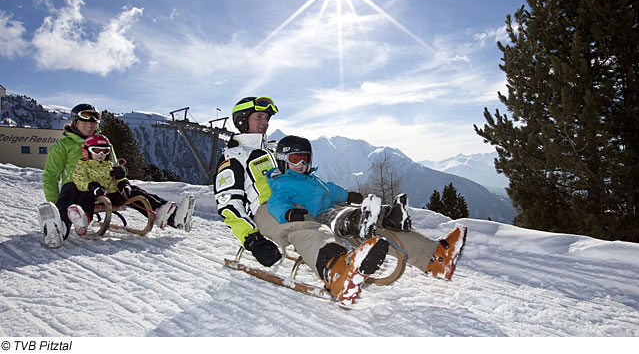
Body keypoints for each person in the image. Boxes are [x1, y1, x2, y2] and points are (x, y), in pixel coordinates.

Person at [214, 97, 389, 305]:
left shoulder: (273, 149)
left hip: (299, 197)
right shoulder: (234, 157)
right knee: (304, 225)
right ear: (242, 120)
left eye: (267, 118)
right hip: (268, 209)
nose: (265, 122)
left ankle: (431, 255)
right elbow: (228, 205)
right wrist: (253, 240)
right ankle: (336, 270)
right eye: (259, 117)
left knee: (353, 215)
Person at [267, 135, 467, 281]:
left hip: (333, 207)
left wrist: (348, 195)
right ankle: (361, 223)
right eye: (295, 159)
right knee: (343, 218)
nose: (302, 164)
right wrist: (288, 212)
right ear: (283, 160)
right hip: (321, 216)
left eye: (306, 158)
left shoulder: (313, 179)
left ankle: (398, 223)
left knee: (359, 210)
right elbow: (277, 202)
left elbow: (331, 190)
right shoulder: (283, 182)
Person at [39, 103, 192, 248]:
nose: (90, 126)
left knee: (134, 192)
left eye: (93, 123)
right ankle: (58, 227)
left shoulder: (104, 143)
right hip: (78, 188)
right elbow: (50, 177)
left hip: (104, 187)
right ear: (74, 122)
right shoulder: (63, 146)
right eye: (84, 121)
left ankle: (171, 217)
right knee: (68, 193)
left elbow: (112, 167)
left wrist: (122, 180)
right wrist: (54, 204)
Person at [67, 134, 181, 236]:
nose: (101, 154)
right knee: (85, 197)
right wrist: (92, 186)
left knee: (136, 192)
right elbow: (79, 180)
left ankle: (158, 212)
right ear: (87, 151)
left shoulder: (110, 165)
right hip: (94, 195)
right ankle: (83, 220)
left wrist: (124, 183)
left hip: (112, 195)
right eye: (96, 150)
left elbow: (119, 179)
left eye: (105, 151)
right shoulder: (83, 165)